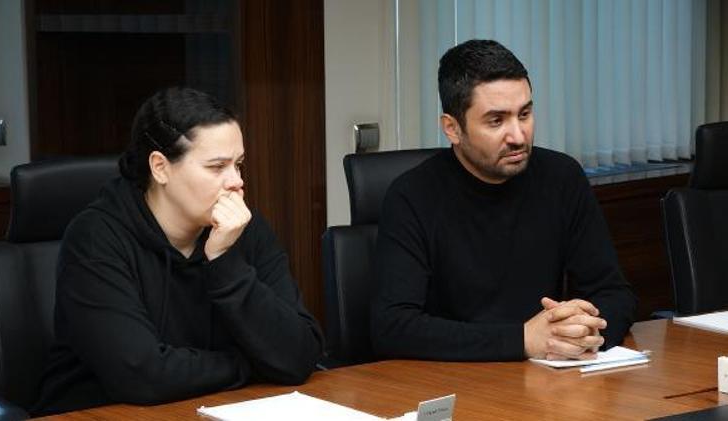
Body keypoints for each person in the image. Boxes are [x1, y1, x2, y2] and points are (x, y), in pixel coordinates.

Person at [33, 87, 323, 415]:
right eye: (217, 167)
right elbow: (142, 375)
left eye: (239, 165)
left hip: (210, 408)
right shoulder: (96, 237)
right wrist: (252, 364)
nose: (236, 182)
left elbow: (299, 356)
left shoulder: (244, 229)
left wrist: (224, 261)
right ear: (160, 167)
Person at [370, 40, 636, 362]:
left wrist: (583, 330)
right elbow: (393, 327)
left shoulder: (562, 178)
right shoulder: (412, 196)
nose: (518, 136)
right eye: (496, 121)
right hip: (454, 378)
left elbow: (614, 293)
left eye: (524, 114)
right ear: (452, 128)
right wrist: (522, 339)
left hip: (548, 375)